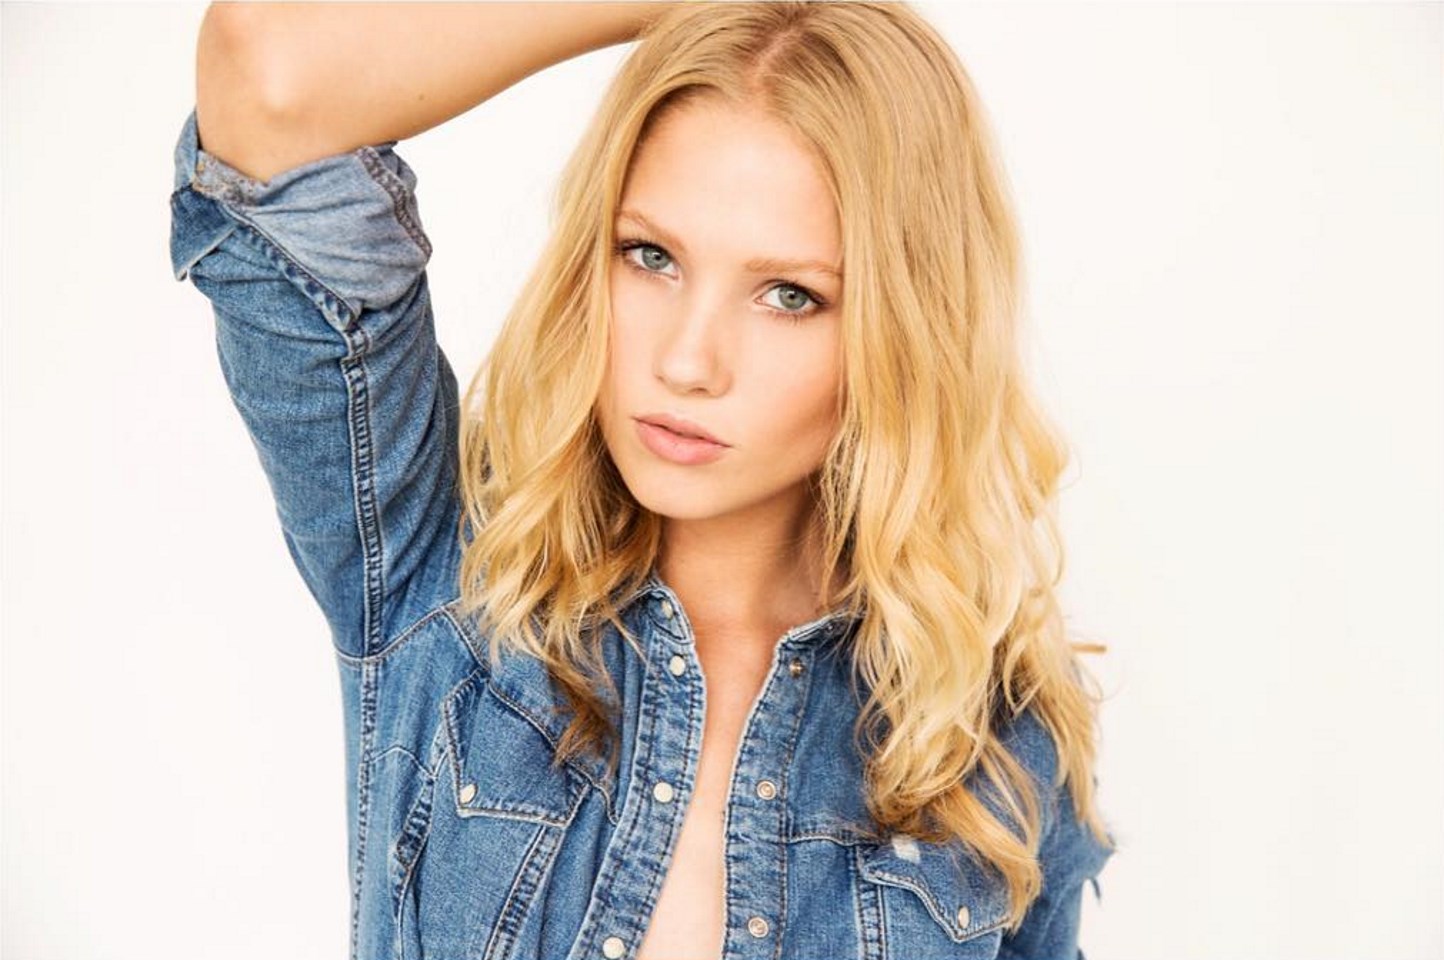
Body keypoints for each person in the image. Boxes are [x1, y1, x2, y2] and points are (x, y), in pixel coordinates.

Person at [168, 3, 1118, 958]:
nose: (688, 362)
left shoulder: (991, 740)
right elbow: (267, 75)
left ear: (906, 332)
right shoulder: (447, 576)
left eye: (790, 295)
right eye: (651, 256)